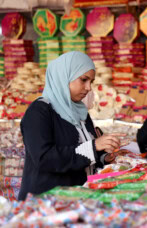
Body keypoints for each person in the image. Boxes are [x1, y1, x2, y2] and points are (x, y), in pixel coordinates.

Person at [19, 51, 122, 200]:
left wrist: (104, 158)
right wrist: (94, 147)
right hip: (46, 202)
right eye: (84, 80)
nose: (88, 88)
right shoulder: (39, 111)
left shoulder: (80, 112)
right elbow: (44, 158)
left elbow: (81, 151)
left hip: (75, 197)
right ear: (64, 76)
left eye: (91, 82)